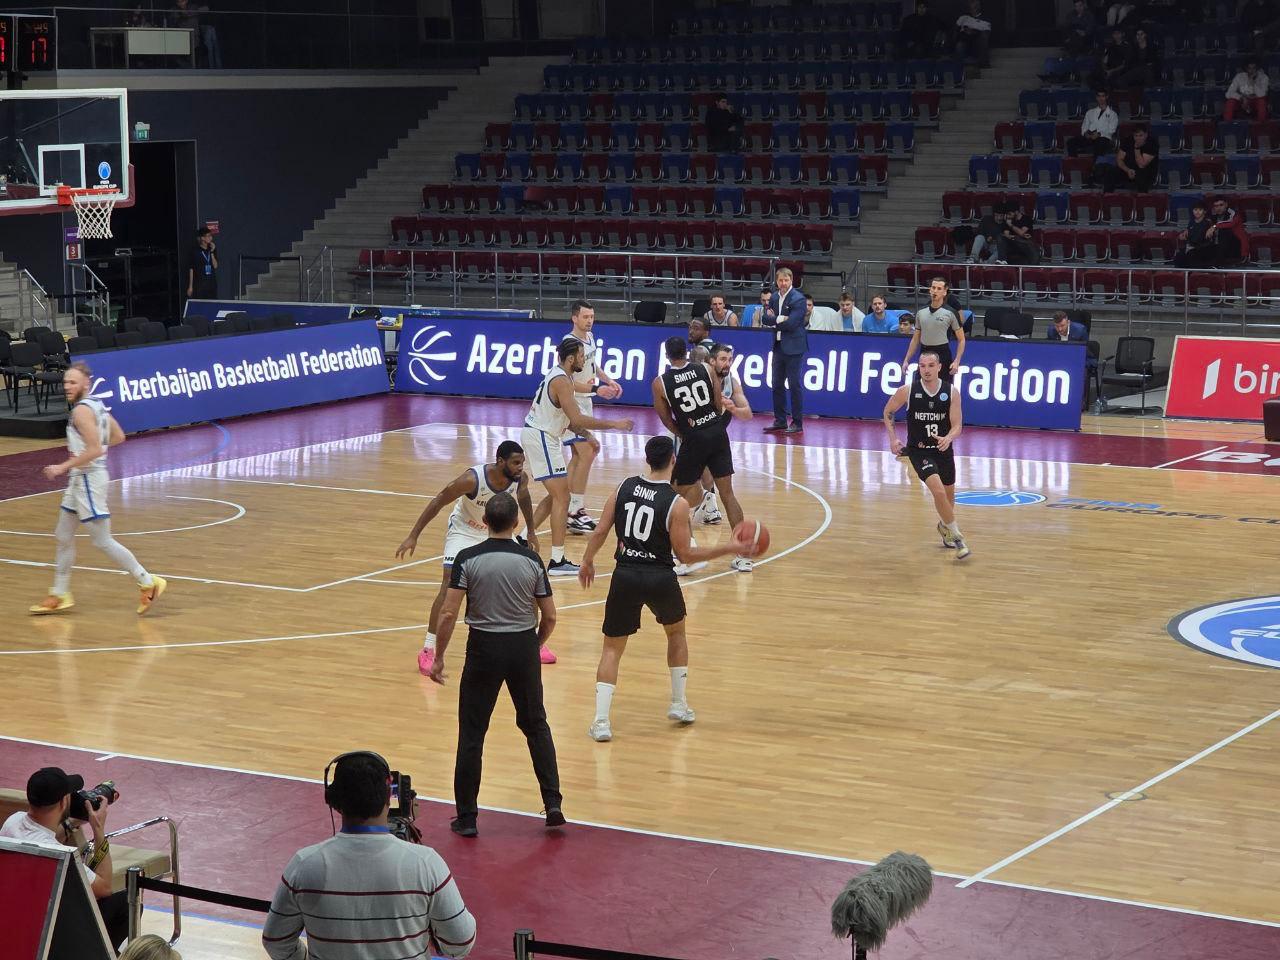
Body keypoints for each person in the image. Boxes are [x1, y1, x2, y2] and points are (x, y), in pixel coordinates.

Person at [577, 436, 758, 742]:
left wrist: (587, 561)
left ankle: (601, 722)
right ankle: (678, 703)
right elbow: (685, 555)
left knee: (611, 649)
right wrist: (729, 548)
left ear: (647, 459)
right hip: (660, 577)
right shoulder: (677, 503)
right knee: (676, 634)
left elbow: (601, 530)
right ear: (673, 460)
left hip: (625, 574)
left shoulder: (623, 488)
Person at [428, 493, 564, 837]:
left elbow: (448, 612)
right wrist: (534, 646)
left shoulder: (467, 558)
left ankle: (467, 818)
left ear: (485, 522)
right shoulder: (532, 560)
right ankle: (553, 804)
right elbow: (549, 616)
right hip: (522, 647)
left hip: (483, 649)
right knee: (536, 725)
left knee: (472, 733)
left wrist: (438, 656)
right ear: (516, 523)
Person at [262, 752, 475, 958]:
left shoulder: (303, 865)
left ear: (333, 800)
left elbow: (275, 942)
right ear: (388, 795)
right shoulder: (427, 864)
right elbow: (461, 942)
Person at [395, 442, 549, 674]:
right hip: (464, 530)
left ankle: (533, 644)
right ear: (500, 461)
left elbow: (524, 498)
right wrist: (413, 535)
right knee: (449, 583)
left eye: (522, 463)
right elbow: (438, 501)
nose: (520, 467)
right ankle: (428, 648)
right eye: (516, 462)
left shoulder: (520, 479)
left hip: (495, 529)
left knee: (527, 578)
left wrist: (532, 532)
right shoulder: (471, 480)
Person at [29, 363, 166, 617]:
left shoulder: (82, 411)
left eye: (72, 382)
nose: (67, 386)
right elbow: (118, 437)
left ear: (86, 384)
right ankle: (59, 593)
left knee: (102, 540)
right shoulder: (98, 406)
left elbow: (94, 449)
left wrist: (63, 466)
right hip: (81, 479)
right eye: (66, 382)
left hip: (88, 481)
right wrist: (92, 455)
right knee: (63, 534)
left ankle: (147, 581)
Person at [520, 338, 634, 577]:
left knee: (557, 495)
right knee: (563, 497)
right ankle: (557, 560)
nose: (585, 359)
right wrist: (614, 424)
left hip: (546, 436)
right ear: (571, 358)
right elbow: (577, 418)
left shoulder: (565, 377)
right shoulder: (561, 381)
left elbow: (570, 421)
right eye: (582, 356)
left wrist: (588, 436)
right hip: (541, 437)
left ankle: (521, 538)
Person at [652, 336, 752, 574]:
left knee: (674, 497)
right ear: (687, 353)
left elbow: (665, 419)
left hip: (694, 437)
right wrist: (709, 421)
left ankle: (689, 554)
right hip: (717, 432)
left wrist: (684, 433)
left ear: (666, 356)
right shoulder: (705, 369)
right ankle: (744, 556)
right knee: (728, 494)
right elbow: (717, 404)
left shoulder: (660, 382)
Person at [1, 767, 128, 952]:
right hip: (54, 928)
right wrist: (98, 829)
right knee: (125, 903)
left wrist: (73, 822)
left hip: (20, 916)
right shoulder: (61, 855)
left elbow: (43, 837)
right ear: (63, 802)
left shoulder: (13, 821)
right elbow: (104, 887)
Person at [530, 302, 623, 539]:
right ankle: (575, 509)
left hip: (585, 400)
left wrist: (607, 379)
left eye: (592, 316)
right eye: (585, 317)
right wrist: (597, 389)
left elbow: (593, 365)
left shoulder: (590, 337)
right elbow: (569, 383)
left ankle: (573, 507)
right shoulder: (569, 343)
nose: (589, 320)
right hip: (572, 402)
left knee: (580, 455)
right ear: (574, 318)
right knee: (589, 450)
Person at [883, 350, 971, 561]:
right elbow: (888, 412)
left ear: (939, 367)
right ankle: (958, 538)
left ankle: (944, 526)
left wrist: (949, 437)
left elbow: (957, 425)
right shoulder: (907, 391)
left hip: (943, 450)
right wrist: (893, 439)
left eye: (931, 365)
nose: (926, 370)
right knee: (938, 492)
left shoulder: (951, 392)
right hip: (919, 451)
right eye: (922, 366)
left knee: (948, 498)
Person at [760, 267, 808, 434]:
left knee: (794, 385)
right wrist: (780, 318)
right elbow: (765, 319)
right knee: (776, 384)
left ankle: (797, 422)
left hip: (794, 347)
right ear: (777, 281)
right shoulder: (773, 297)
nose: (783, 283)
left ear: (791, 280)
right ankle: (780, 420)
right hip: (778, 346)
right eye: (780, 280)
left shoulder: (798, 299)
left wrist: (774, 320)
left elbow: (792, 323)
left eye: (786, 280)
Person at [903, 276, 966, 378]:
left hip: (942, 354)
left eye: (939, 288)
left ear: (945, 292)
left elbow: (961, 339)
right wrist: (906, 359)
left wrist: (957, 361)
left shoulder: (951, 313)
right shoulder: (921, 312)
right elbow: (915, 339)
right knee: (920, 386)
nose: (935, 291)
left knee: (943, 387)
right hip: (924, 353)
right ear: (930, 290)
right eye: (933, 288)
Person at [1096, 124, 1159, 192]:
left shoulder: (1152, 143)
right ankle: (1108, 196)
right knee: (1111, 172)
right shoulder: (1128, 140)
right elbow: (1119, 159)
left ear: (1146, 135)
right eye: (1136, 136)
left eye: (1141, 135)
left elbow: (1141, 165)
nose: (1138, 138)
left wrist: (1137, 148)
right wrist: (1127, 170)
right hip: (1128, 170)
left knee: (1142, 175)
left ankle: (1142, 197)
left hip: (1146, 171)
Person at [1067, 90, 1119, 157]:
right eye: (1099, 96)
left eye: (1103, 96)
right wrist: (1085, 133)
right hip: (1090, 136)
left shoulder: (1113, 114)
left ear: (1106, 97)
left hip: (1104, 137)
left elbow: (1112, 130)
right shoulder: (1090, 112)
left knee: (1100, 143)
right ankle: (1074, 162)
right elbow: (1084, 126)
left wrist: (1099, 134)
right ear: (1096, 98)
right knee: (1071, 142)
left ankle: (1096, 163)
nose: (1101, 98)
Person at [1208, 195, 1249, 265]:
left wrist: (1214, 226)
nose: (1219, 208)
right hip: (1218, 249)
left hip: (1235, 249)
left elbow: (1230, 223)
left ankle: (1218, 261)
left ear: (1226, 205)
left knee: (1223, 231)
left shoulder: (1233, 213)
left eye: (1221, 205)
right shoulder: (1212, 217)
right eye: (1216, 206)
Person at [1174, 200, 1216, 267]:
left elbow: (1200, 238)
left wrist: (1191, 246)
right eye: (1195, 210)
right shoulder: (1191, 222)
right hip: (1192, 247)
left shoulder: (1207, 222)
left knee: (1191, 254)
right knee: (1178, 256)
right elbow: (1189, 234)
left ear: (1204, 211)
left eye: (1200, 210)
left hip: (1203, 248)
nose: (1197, 212)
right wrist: (1183, 236)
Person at [954, 0, 993, 65]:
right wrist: (965, 31)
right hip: (964, 40)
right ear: (969, 4)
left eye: (977, 2)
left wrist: (974, 32)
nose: (975, 4)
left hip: (977, 43)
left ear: (980, 5)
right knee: (960, 45)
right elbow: (955, 30)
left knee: (983, 37)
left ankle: (981, 62)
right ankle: (966, 61)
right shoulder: (963, 17)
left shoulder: (985, 19)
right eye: (972, 2)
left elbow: (987, 34)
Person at [185, 226, 217, 302]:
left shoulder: (212, 249)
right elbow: (191, 269)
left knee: (212, 305)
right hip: (200, 285)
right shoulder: (195, 251)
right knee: (201, 305)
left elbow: (215, 266)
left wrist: (212, 252)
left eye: (211, 236)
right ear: (202, 238)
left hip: (212, 284)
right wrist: (190, 286)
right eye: (208, 236)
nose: (211, 238)